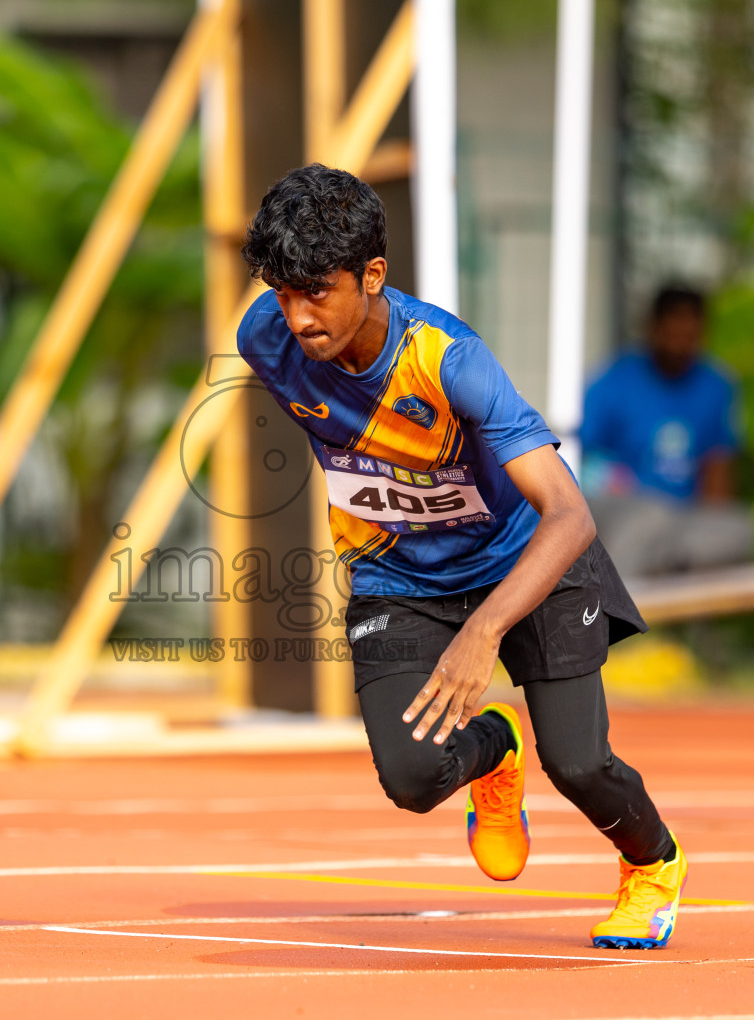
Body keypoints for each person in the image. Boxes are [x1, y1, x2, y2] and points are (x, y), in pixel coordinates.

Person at [236, 164, 685, 950]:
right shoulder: (265, 341)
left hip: (524, 562)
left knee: (578, 765)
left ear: (372, 276)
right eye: (282, 290)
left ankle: (653, 865)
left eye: (317, 291)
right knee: (410, 779)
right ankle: (494, 749)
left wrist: (483, 632)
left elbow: (570, 514)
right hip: (397, 573)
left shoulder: (450, 360)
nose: (298, 315)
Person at [579, 285, 754, 578]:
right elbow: (586, 463)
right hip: (622, 506)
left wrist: (710, 520)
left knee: (742, 529)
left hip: (681, 519)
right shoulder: (614, 380)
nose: (680, 345)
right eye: (673, 333)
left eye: (689, 336)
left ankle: (664, 572)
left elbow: (718, 469)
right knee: (649, 517)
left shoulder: (717, 386)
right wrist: (638, 496)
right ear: (654, 328)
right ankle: (613, 608)